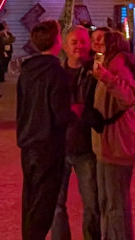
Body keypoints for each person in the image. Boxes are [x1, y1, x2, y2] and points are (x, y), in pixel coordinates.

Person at [16, 20, 72, 239]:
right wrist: (74, 112)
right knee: (44, 203)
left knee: (30, 198)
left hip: (28, 142)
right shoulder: (56, 73)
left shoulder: (27, 73)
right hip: (48, 144)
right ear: (57, 41)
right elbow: (60, 115)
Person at [89, 29, 135, 240]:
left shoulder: (118, 64)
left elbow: (130, 96)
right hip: (106, 144)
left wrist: (108, 78)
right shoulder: (106, 63)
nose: (97, 44)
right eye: (94, 40)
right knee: (107, 202)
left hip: (117, 145)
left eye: (102, 40)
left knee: (115, 204)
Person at [53, 24, 99, 240]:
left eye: (83, 41)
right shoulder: (57, 73)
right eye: (74, 42)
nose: (79, 46)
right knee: (56, 204)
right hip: (59, 147)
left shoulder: (96, 72)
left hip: (86, 146)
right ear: (64, 46)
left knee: (92, 204)